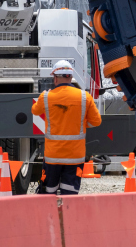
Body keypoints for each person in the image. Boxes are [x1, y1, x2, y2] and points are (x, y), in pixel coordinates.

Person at [32, 60, 101, 195]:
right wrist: (80, 123)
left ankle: (51, 216)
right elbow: (97, 121)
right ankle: (67, 216)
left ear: (55, 78)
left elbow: (35, 110)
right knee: (70, 194)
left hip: (53, 156)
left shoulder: (46, 97)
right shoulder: (84, 97)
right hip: (75, 156)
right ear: (70, 77)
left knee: (48, 194)